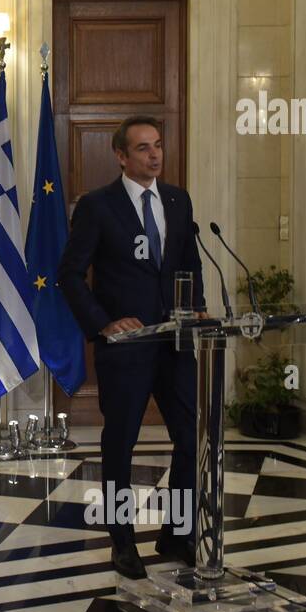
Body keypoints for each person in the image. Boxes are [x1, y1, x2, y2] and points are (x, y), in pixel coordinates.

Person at [58, 116, 206, 579]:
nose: (154, 155)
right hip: (126, 347)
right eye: (143, 148)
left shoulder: (178, 200)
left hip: (176, 343)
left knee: (189, 439)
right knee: (120, 444)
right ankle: (122, 543)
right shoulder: (98, 206)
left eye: (158, 146)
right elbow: (69, 274)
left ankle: (177, 534)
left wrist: (196, 307)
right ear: (121, 156)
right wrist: (103, 324)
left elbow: (189, 264)